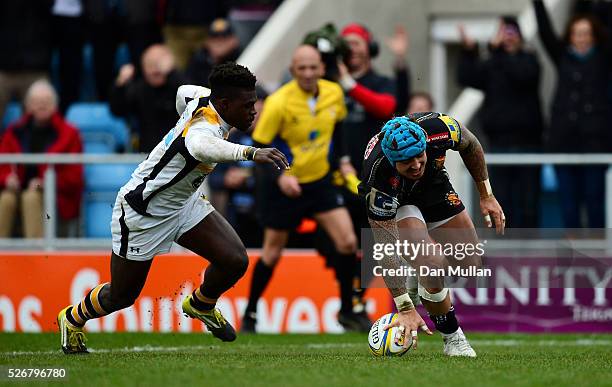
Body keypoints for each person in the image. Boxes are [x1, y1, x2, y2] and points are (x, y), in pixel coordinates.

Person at [56, 62, 289, 354]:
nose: (253, 111)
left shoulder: (205, 98)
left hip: (182, 204)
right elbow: (201, 147)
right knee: (121, 296)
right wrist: (251, 152)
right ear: (225, 104)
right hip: (143, 212)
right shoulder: (204, 130)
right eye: (248, 105)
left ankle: (201, 304)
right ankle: (72, 318)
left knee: (235, 260)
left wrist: (184, 117)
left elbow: (183, 92)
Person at [358, 113, 505, 356]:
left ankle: (418, 276)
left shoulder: (441, 128)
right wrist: (404, 307)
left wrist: (486, 194)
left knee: (469, 263)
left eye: (419, 155)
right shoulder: (378, 178)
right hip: (398, 199)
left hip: (433, 186)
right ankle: (453, 338)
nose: (415, 165)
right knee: (431, 265)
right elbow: (385, 249)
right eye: (406, 161)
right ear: (393, 160)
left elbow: (472, 145)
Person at [242, 45, 366, 332]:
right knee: (272, 252)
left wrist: (343, 161)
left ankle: (347, 310)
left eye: (313, 68)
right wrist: (281, 177)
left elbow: (338, 129)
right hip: (286, 185)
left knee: (348, 242)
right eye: (302, 69)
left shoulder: (334, 93)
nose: (308, 74)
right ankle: (250, 313)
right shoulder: (279, 102)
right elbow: (260, 147)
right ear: (293, 71)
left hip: (320, 180)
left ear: (322, 68)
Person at [457, 17, 543, 228]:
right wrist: (469, 51)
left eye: (512, 32)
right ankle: (505, 250)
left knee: (529, 202)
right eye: (504, 32)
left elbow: (522, 77)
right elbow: (468, 77)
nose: (508, 37)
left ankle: (529, 250)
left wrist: (496, 52)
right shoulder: (493, 63)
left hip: (528, 143)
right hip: (498, 142)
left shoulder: (529, 60)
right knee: (503, 200)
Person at [533, 0, 611, 228]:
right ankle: (574, 259)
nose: (582, 38)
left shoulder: (604, 58)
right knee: (569, 206)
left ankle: (597, 261)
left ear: (594, 36)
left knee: (595, 203)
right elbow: (545, 32)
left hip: (595, 145)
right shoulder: (562, 57)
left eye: (586, 34)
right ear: (571, 36)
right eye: (577, 34)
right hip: (563, 143)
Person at [0, 80, 84, 238]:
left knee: (30, 197)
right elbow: (2, 166)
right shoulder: (14, 131)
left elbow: (74, 177)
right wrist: (7, 179)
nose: (41, 106)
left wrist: (44, 183)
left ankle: (36, 256)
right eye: (37, 102)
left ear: (55, 105)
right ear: (28, 104)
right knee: (5, 199)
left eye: (46, 102)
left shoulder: (70, 134)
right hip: (16, 190)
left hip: (54, 195)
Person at [109, 44, 187, 153]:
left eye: (159, 64)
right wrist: (120, 84)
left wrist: (172, 73)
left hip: (181, 154)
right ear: (143, 67)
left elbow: (196, 102)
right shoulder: (139, 89)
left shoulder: (178, 85)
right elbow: (117, 110)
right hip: (148, 155)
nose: (155, 69)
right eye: (150, 64)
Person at [186, 18, 242, 88]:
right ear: (207, 41)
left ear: (234, 40)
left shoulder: (242, 57)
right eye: (215, 37)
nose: (219, 41)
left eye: (224, 36)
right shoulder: (198, 60)